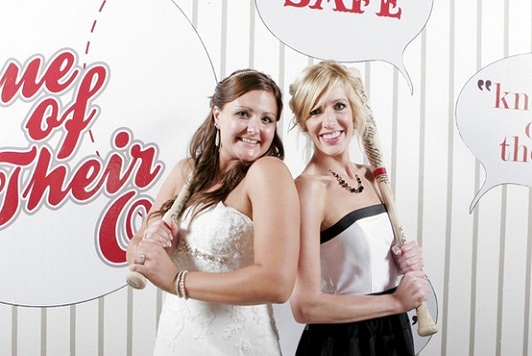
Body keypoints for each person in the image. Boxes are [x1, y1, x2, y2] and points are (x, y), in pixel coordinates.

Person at [127, 69, 300, 356]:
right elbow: (137, 250)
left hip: (235, 346)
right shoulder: (186, 172)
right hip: (175, 340)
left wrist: (176, 280)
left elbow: (277, 282)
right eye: (243, 113)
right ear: (217, 115)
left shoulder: (268, 173)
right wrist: (151, 243)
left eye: (266, 119)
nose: (255, 129)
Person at [287, 60, 429, 356]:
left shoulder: (372, 176)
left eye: (338, 106)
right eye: (315, 111)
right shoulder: (308, 190)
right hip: (342, 343)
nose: (329, 122)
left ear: (354, 110)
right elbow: (305, 306)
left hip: (394, 334)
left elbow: (369, 261)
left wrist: (402, 260)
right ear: (303, 122)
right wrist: (396, 302)